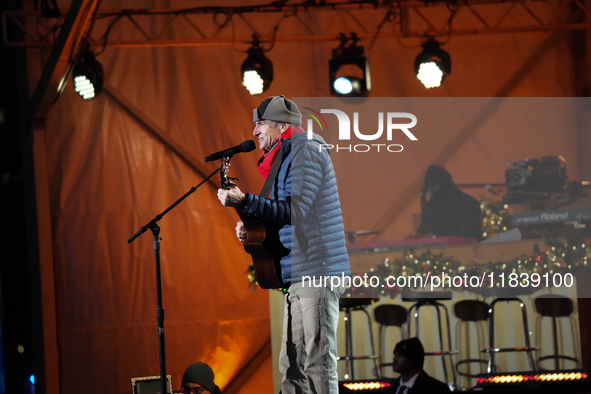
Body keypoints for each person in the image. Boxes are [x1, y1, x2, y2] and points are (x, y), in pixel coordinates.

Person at [217, 95, 350, 394]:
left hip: (317, 269)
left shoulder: (306, 151)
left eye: (260, 124)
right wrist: (252, 227)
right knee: (291, 364)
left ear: (280, 125)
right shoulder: (287, 155)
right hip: (299, 272)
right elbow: (285, 213)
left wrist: (245, 199)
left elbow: (295, 210)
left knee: (317, 362)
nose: (255, 132)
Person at [416, 164, 481, 240]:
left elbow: (469, 235)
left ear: (444, 185)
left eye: (433, 188)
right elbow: (423, 230)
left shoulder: (468, 204)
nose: (430, 193)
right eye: (428, 189)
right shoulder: (429, 208)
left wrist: (436, 237)